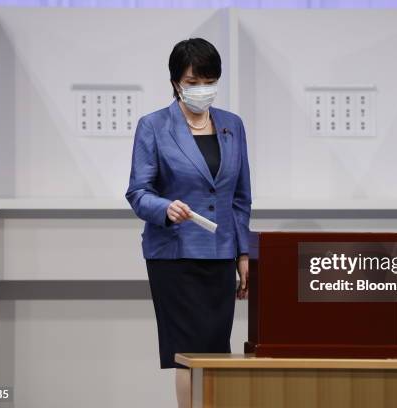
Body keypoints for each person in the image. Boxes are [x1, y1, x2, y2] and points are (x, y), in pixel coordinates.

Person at [125, 37, 252, 408]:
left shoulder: (233, 125)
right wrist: (164, 208)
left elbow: (241, 198)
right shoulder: (154, 126)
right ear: (176, 83)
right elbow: (138, 192)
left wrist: (245, 253)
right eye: (193, 82)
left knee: (216, 351)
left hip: (221, 253)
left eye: (209, 80)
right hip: (174, 255)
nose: (202, 89)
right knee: (188, 351)